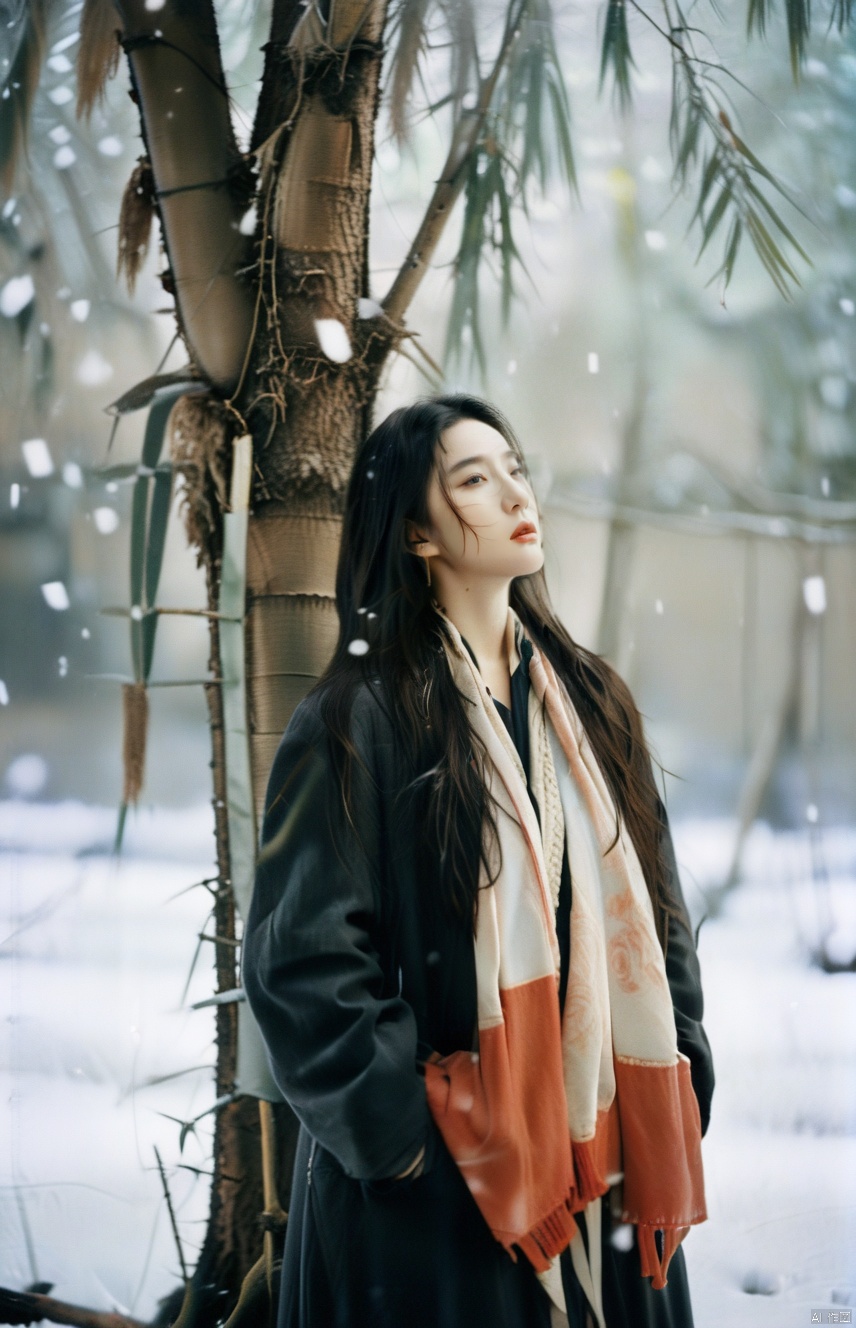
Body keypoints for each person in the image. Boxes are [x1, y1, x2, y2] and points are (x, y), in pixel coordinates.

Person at [243, 395, 714, 1328]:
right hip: (433, 1210)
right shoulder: (356, 721)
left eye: (513, 469)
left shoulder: (589, 700)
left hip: (602, 1164)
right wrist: (413, 1138)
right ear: (416, 534)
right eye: (472, 478)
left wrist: (682, 1072)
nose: (511, 492)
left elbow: (656, 918)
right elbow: (303, 965)